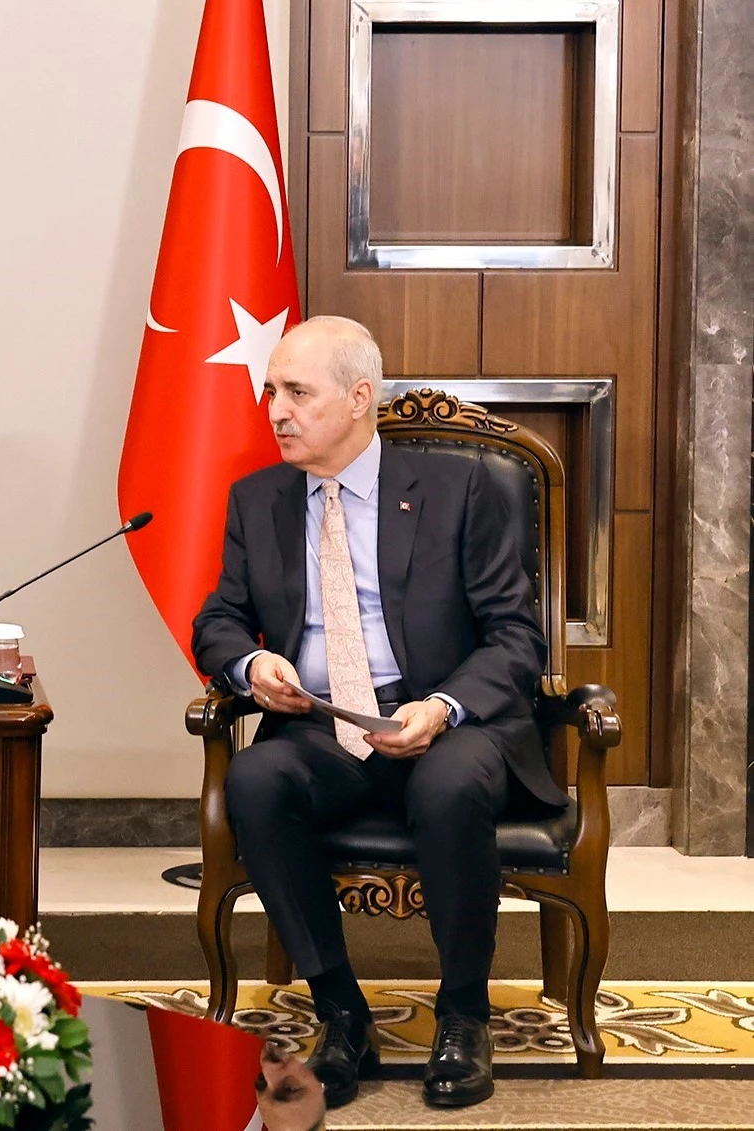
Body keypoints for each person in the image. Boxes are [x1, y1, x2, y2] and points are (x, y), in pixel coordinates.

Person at [192, 316, 565, 1111]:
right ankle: (342, 1012)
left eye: (298, 392)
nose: (277, 411)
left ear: (360, 398)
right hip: (324, 727)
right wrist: (252, 665)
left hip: (449, 725)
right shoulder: (258, 499)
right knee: (255, 778)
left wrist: (442, 706)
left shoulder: (460, 487)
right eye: (272, 392)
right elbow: (218, 618)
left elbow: (515, 636)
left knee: (449, 785)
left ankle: (463, 1014)